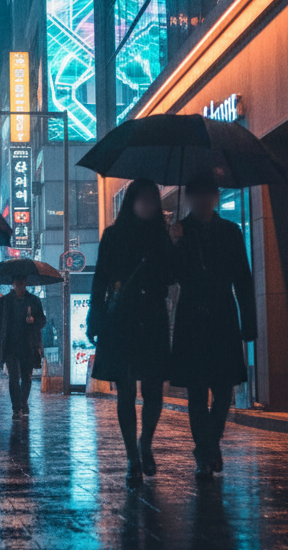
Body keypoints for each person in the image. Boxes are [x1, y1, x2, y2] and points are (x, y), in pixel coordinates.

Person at [169, 175, 257, 481]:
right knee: (196, 391)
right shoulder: (180, 231)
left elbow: (243, 279)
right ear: (189, 199)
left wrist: (249, 324)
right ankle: (205, 451)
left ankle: (209, 444)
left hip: (222, 315)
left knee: (223, 390)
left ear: (216, 198)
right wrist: (174, 243)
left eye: (208, 195)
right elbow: (171, 277)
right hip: (192, 315)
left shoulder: (230, 231)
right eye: (196, 195)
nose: (202, 201)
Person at [88, 179, 173, 489]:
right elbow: (100, 280)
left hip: (152, 316)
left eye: (154, 200)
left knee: (153, 388)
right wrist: (94, 317)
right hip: (122, 320)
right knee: (125, 390)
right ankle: (132, 458)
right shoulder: (113, 236)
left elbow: (172, 275)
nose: (149, 206)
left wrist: (171, 242)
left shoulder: (161, 237)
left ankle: (145, 442)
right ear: (132, 202)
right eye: (144, 200)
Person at [0, 277, 46, 419]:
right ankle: (17, 407)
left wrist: (34, 320)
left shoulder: (34, 300)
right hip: (10, 345)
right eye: (17, 283)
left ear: (26, 283)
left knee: (26, 377)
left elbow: (42, 320)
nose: (20, 286)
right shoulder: (5, 301)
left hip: (29, 345)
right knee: (14, 377)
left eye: (22, 283)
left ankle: (23, 402)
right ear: (13, 284)